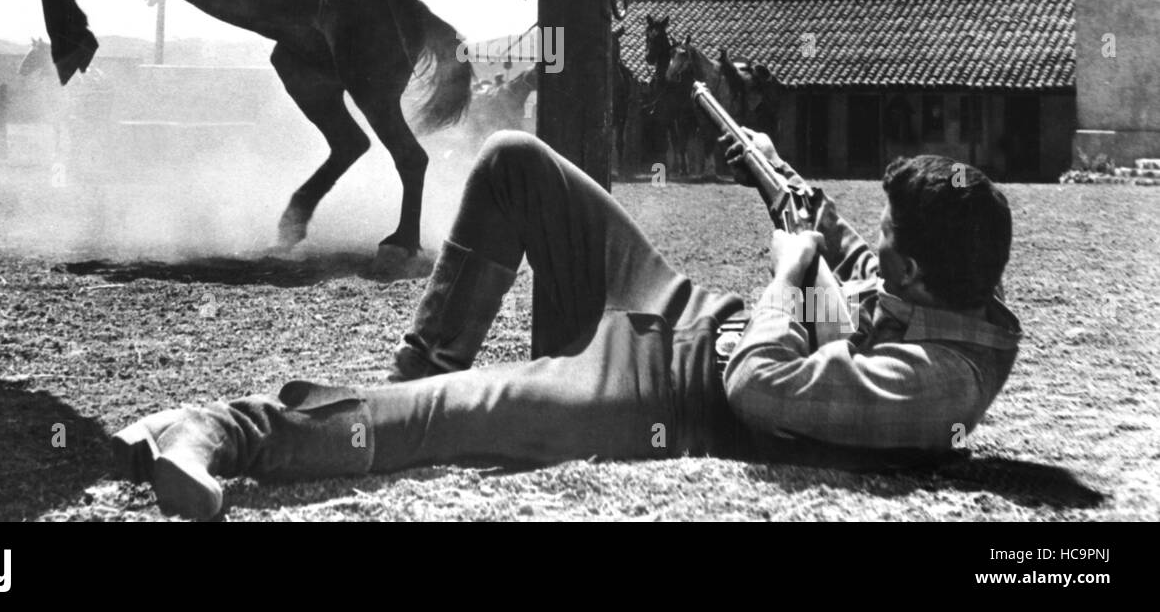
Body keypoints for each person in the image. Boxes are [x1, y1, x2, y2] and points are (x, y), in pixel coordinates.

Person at [113, 128, 1021, 520]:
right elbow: (860, 269)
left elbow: (759, 384)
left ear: (919, 271)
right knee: (515, 163)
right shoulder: (946, 293)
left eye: (890, 242)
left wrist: (791, 271)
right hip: (684, 307)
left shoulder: (940, 390)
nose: (878, 256)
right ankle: (412, 372)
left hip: (663, 394)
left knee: (450, 421)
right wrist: (794, 198)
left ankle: (217, 433)